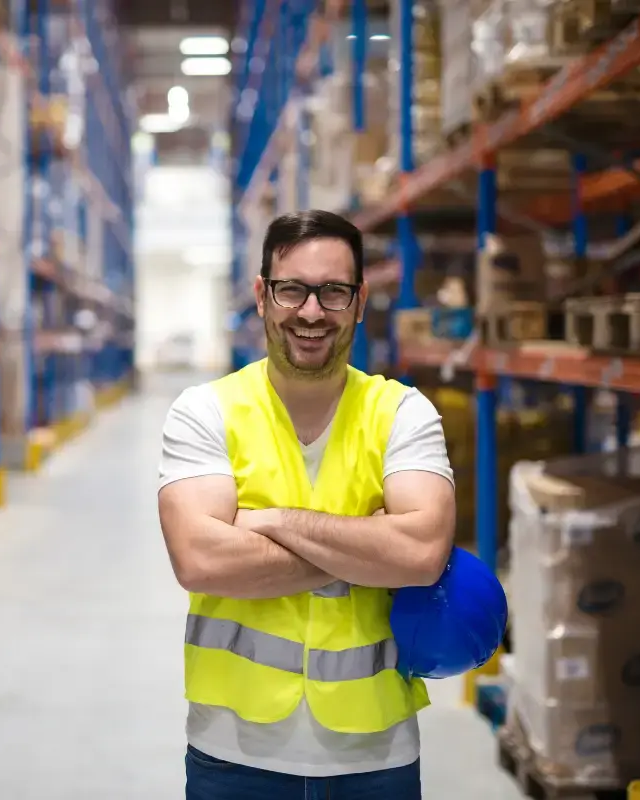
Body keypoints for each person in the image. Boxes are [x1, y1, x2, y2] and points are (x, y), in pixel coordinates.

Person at [157, 210, 456, 799]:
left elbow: (421, 553)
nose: (312, 312)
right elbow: (200, 560)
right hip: (234, 756)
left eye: (334, 292)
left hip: (376, 756)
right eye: (291, 289)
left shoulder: (403, 413)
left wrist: (267, 523)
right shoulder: (205, 412)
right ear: (262, 296)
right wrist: (368, 546)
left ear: (361, 301)